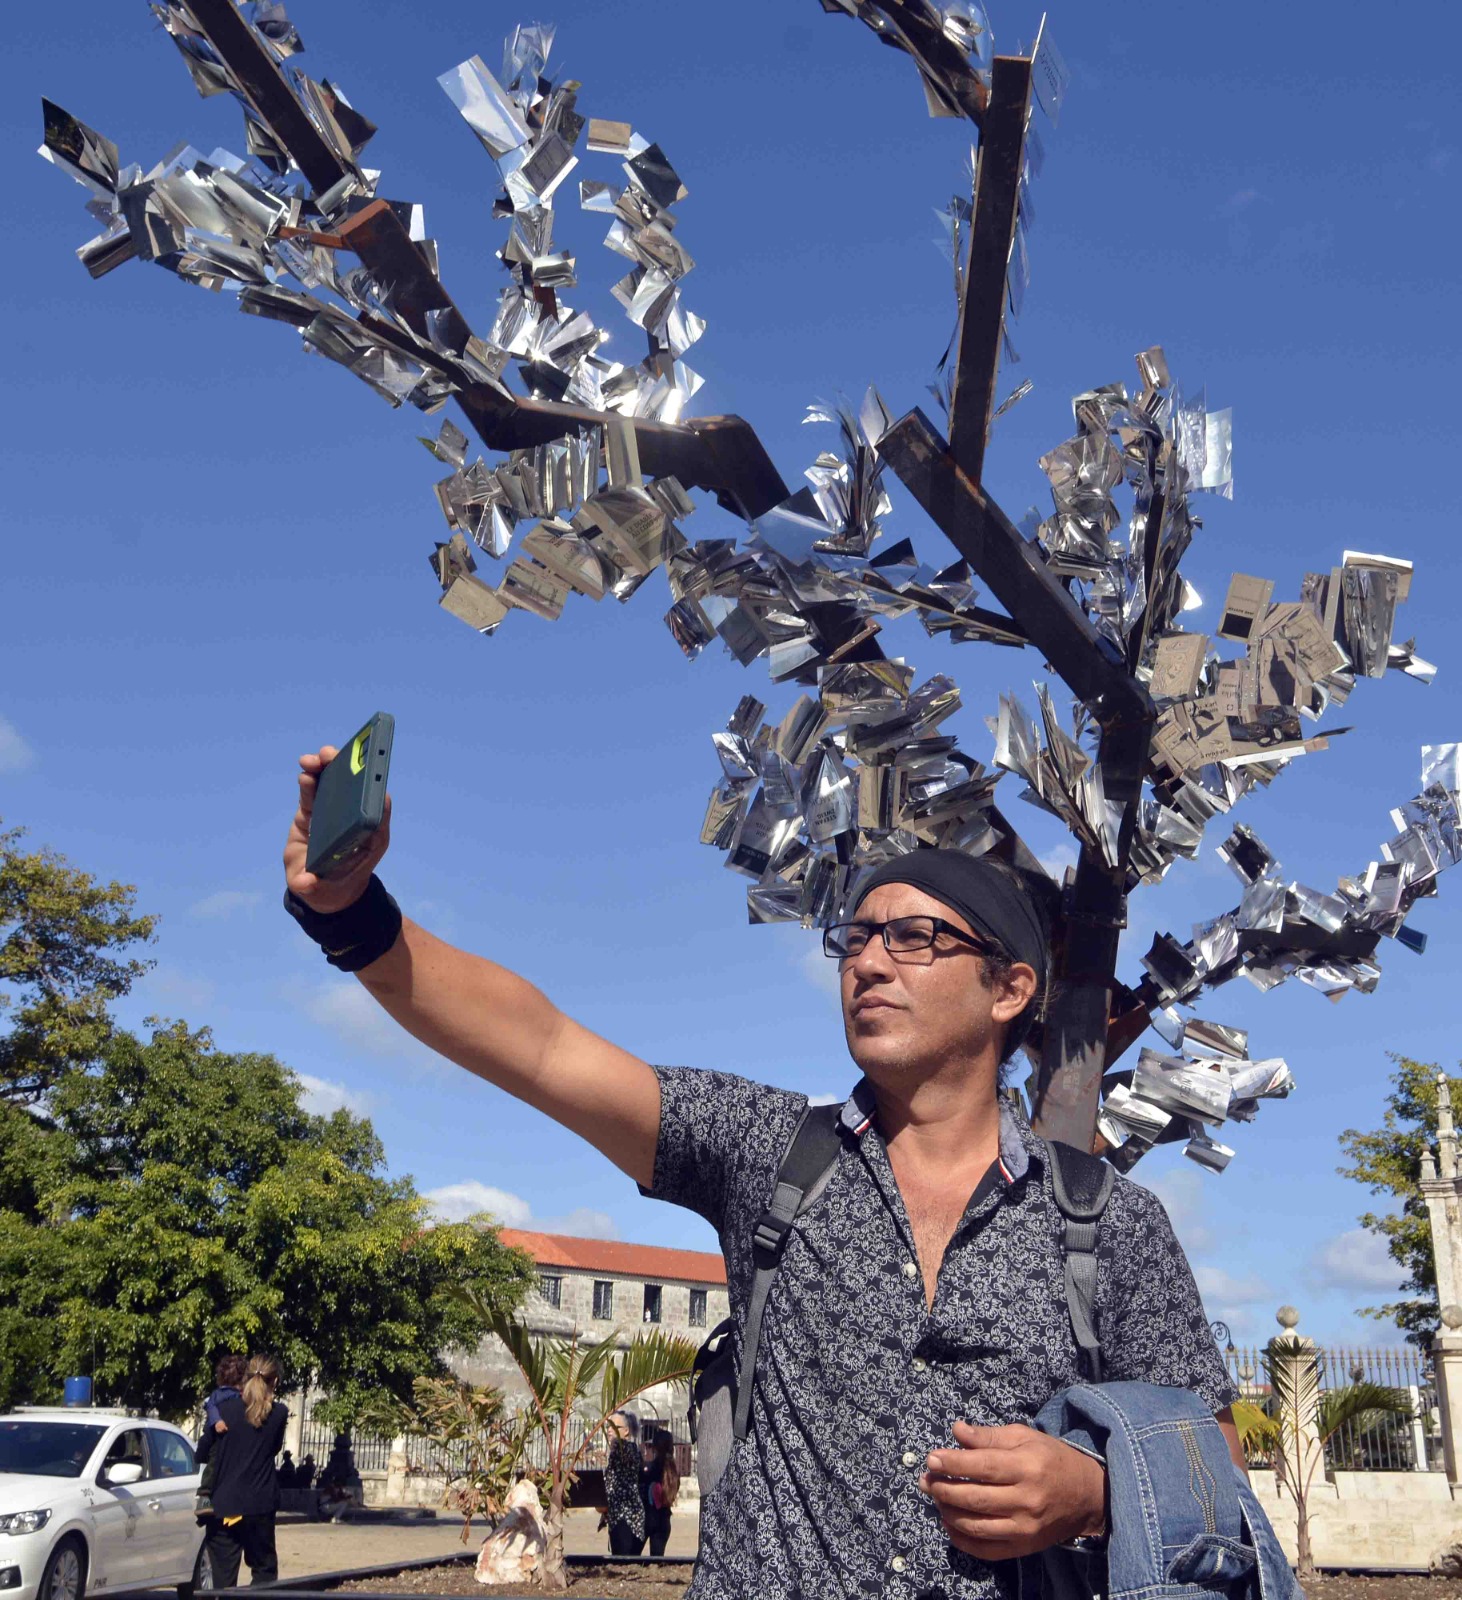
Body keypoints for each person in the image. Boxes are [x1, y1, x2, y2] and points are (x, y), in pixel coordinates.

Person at [281, 754, 1250, 1600]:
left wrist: (1093, 1494)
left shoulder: (1107, 1222)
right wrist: (353, 916)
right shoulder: (771, 1152)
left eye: (914, 938)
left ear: (1009, 988)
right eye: (855, 939)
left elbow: (1216, 1467)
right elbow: (541, 1048)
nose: (868, 962)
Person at [196, 1355, 288, 1587]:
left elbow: (203, 1451)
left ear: (246, 1377)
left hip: (224, 1505)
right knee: (264, 1571)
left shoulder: (222, 1411)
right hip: (260, 1504)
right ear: (275, 1381)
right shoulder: (278, 1413)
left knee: (223, 1577)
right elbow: (274, 1448)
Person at [603, 1411, 645, 1556]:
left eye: (614, 1427)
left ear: (626, 1431)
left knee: (623, 1558)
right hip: (620, 1514)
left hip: (626, 1516)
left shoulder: (625, 1448)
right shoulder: (624, 1449)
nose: (609, 1430)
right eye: (608, 1426)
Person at [641, 1429, 678, 1558]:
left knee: (631, 1557)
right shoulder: (673, 1471)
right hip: (664, 1519)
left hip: (647, 1517)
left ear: (655, 1447)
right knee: (656, 1560)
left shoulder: (651, 1468)